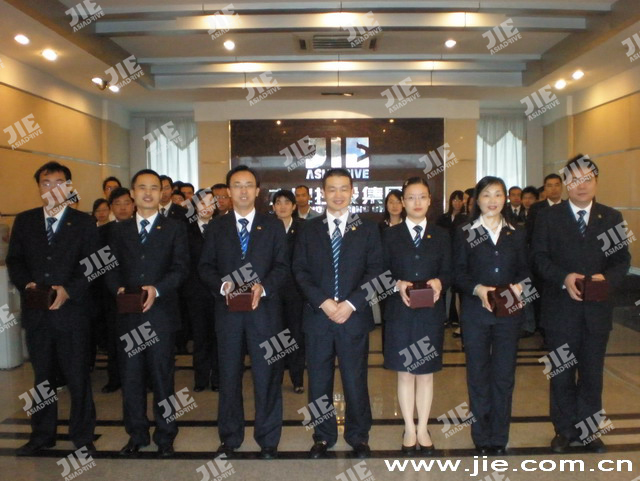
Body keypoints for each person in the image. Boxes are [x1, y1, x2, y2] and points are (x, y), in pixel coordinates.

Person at [532, 155, 630, 453]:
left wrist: (606, 279)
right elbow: (538, 258)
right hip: (560, 310)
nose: (582, 185)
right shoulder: (549, 217)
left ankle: (589, 432)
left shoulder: (610, 217)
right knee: (561, 374)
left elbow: (622, 260)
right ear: (566, 183)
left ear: (596, 182)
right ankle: (563, 431)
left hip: (596, 311)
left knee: (592, 374)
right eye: (575, 180)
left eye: (588, 179)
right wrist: (564, 277)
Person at [7, 161, 98, 456]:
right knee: (42, 377)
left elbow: (95, 263)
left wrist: (68, 290)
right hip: (38, 314)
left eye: (59, 183)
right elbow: (15, 260)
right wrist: (27, 284)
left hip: (73, 314)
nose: (52, 189)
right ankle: (42, 434)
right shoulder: (25, 221)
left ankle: (82, 435)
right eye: (46, 183)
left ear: (69, 187)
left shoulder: (84, 222)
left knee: (77, 376)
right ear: (39, 188)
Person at [199, 165, 289, 460]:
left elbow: (283, 267)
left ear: (258, 190)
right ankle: (230, 437)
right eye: (237, 185)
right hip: (228, 314)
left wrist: (264, 287)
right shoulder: (216, 227)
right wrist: (223, 286)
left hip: (264, 313)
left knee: (267, 376)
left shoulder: (273, 225)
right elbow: (205, 267)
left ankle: (268, 438)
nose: (243, 190)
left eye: (248, 185)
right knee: (228, 376)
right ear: (228, 191)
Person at [293, 168, 383, 459]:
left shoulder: (367, 228)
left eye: (344, 188)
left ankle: (359, 436)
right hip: (318, 317)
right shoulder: (309, 229)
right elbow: (300, 270)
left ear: (353, 192)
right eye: (331, 189)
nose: (338, 194)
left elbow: (377, 270)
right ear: (323, 193)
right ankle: (322, 436)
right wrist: (323, 302)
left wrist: (351, 304)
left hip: (353, 317)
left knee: (355, 380)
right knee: (318, 382)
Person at [106, 169, 189, 458]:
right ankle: (136, 434)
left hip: (161, 315)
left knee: (163, 377)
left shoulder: (175, 228)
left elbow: (181, 268)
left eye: (154, 187)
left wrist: (157, 289)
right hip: (128, 315)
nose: (148, 193)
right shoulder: (117, 230)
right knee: (131, 378)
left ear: (162, 192)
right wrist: (117, 288)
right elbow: (107, 267)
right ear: (132, 193)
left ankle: (166, 435)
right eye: (142, 187)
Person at [453, 176, 530, 455]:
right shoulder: (465, 232)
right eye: (486, 194)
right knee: (477, 373)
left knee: (504, 374)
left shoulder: (517, 231)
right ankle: (481, 435)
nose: (492, 200)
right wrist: (478, 289)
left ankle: (499, 435)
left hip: (509, 311)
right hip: (476, 312)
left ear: (505, 198)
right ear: (477, 200)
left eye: (498, 194)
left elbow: (528, 271)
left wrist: (518, 287)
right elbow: (457, 273)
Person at [382, 177, 451, 454]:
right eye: (410, 197)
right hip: (399, 312)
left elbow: (451, 269)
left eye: (422, 196)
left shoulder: (442, 235)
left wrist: (440, 281)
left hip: (430, 312)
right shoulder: (389, 235)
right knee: (405, 373)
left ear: (430, 200)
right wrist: (396, 284)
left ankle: (423, 427)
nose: (417, 202)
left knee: (425, 374)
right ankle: (409, 428)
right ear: (402, 202)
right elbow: (378, 271)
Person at [99, 187, 136, 393]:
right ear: (111, 207)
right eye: (117, 204)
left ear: (133, 204)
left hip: (138, 292)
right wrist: (114, 286)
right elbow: (98, 264)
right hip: (111, 293)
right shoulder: (102, 232)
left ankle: (144, 378)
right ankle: (115, 378)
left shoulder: (142, 228)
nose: (122, 208)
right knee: (114, 338)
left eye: (126, 203)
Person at [185, 189, 219, 392]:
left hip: (219, 292)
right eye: (202, 203)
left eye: (210, 203)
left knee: (218, 337)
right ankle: (200, 379)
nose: (207, 207)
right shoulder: (185, 229)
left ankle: (217, 379)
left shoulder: (222, 227)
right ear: (195, 206)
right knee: (200, 337)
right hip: (195, 293)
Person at [272, 189, 306, 393]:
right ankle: (275, 378)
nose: (282, 206)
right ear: (273, 207)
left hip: (296, 292)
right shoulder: (266, 227)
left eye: (287, 202)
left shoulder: (304, 228)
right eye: (278, 202)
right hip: (272, 291)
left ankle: (297, 378)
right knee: (275, 335)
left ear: (294, 206)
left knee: (296, 335)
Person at [437, 190, 466, 328]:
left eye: (460, 200)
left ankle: (456, 318)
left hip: (458, 256)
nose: (457, 203)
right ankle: (442, 317)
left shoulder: (466, 219)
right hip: (443, 255)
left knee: (457, 290)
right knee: (441, 286)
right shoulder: (443, 218)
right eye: (454, 200)